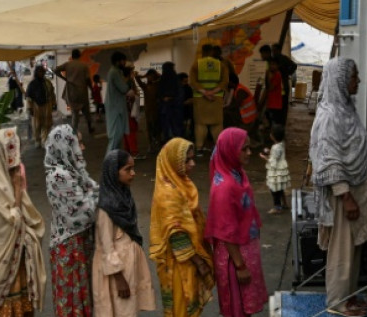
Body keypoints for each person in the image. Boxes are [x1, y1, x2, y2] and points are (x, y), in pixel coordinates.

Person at [309, 57, 367, 316]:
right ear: (340, 81)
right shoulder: (330, 116)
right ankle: (337, 302)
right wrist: (346, 197)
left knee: (352, 248)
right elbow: (328, 159)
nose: (357, 80)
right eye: (354, 76)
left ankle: (347, 295)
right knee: (341, 250)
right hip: (342, 194)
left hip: (352, 190)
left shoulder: (344, 108)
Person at [0, 128, 47, 316]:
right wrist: (17, 187)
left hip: (18, 260)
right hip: (4, 263)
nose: (16, 161)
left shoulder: (3, 180)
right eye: (11, 154)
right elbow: (15, 220)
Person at [205, 128, 268, 317]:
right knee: (237, 308)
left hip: (245, 251)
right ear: (230, 150)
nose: (249, 153)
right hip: (234, 257)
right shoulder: (225, 187)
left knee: (244, 307)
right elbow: (224, 231)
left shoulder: (237, 174)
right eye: (244, 149)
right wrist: (240, 266)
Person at [149, 138, 214, 317]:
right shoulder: (169, 193)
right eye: (187, 160)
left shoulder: (181, 183)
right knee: (182, 307)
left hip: (189, 259)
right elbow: (177, 234)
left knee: (189, 306)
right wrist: (200, 262)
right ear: (173, 162)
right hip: (178, 263)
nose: (192, 164)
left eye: (193, 159)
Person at [44, 125, 99, 317]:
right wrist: (96, 194)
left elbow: (92, 192)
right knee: (73, 303)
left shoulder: (74, 171)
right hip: (69, 248)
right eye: (78, 143)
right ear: (64, 146)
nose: (82, 148)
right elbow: (85, 213)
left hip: (79, 244)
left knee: (83, 300)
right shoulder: (59, 176)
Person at [92, 150, 156, 317]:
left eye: (133, 168)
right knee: (121, 311)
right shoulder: (106, 208)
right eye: (127, 169)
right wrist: (120, 279)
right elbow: (106, 247)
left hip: (128, 268)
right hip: (116, 274)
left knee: (128, 310)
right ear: (114, 172)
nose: (133, 173)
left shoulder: (124, 196)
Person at [189, 45, 228, 152]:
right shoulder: (221, 65)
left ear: (203, 51)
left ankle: (199, 148)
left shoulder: (196, 64)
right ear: (212, 51)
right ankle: (219, 148)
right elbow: (224, 82)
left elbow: (193, 82)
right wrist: (213, 92)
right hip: (216, 98)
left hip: (200, 99)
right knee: (217, 124)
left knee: (200, 125)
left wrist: (205, 93)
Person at [55, 49, 95, 135]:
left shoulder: (68, 64)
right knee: (86, 112)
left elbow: (55, 70)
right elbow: (88, 79)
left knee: (74, 113)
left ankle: (74, 131)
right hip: (82, 91)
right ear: (80, 56)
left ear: (72, 56)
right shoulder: (84, 66)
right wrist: (92, 89)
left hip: (71, 91)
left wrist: (64, 78)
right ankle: (90, 128)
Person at [105, 52, 134, 153]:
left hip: (115, 108)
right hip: (116, 109)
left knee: (117, 137)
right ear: (118, 61)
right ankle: (109, 163)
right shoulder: (115, 72)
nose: (124, 63)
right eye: (123, 61)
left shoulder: (115, 71)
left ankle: (113, 161)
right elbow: (124, 88)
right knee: (115, 137)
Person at [260, 125, 290, 214]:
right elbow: (277, 154)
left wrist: (264, 157)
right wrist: (270, 152)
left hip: (276, 171)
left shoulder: (275, 147)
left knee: (274, 189)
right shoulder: (281, 144)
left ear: (273, 136)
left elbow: (272, 161)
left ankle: (277, 207)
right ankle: (284, 203)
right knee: (280, 188)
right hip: (281, 170)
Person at [26, 65, 55, 148]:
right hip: (36, 107)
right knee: (36, 125)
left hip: (47, 106)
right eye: (39, 71)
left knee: (47, 124)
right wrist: (29, 108)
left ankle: (45, 140)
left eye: (42, 71)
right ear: (36, 72)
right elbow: (29, 97)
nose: (41, 73)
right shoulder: (32, 84)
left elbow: (52, 94)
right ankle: (37, 140)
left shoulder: (47, 83)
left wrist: (53, 104)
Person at [157, 62, 184, 142]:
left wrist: (164, 98)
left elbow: (159, 93)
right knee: (176, 127)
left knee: (167, 127)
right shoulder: (176, 79)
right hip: (176, 107)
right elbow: (180, 93)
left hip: (165, 107)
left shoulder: (162, 79)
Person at [271, 43, 297, 127]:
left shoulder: (283, 59)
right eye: (272, 50)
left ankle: (282, 124)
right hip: (276, 86)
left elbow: (294, 65)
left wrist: (288, 73)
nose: (273, 52)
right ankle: (277, 122)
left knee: (283, 105)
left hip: (283, 86)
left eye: (274, 50)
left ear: (278, 50)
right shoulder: (273, 59)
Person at [135, 69, 161, 152]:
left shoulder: (158, 85)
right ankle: (151, 144)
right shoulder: (146, 86)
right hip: (148, 110)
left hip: (156, 109)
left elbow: (162, 78)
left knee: (157, 126)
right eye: (148, 76)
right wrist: (143, 76)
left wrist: (157, 75)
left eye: (151, 76)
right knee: (149, 127)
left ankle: (157, 142)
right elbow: (137, 79)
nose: (149, 78)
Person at [122, 65, 142, 159]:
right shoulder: (128, 83)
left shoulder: (120, 83)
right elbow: (133, 95)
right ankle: (134, 152)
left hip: (122, 112)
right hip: (129, 111)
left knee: (125, 132)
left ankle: (127, 151)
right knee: (131, 131)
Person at [259, 59, 284, 130]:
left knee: (274, 124)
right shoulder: (271, 74)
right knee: (268, 120)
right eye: (270, 64)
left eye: (274, 64)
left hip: (275, 104)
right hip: (271, 103)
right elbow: (266, 87)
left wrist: (268, 77)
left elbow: (270, 88)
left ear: (277, 66)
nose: (271, 66)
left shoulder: (277, 75)